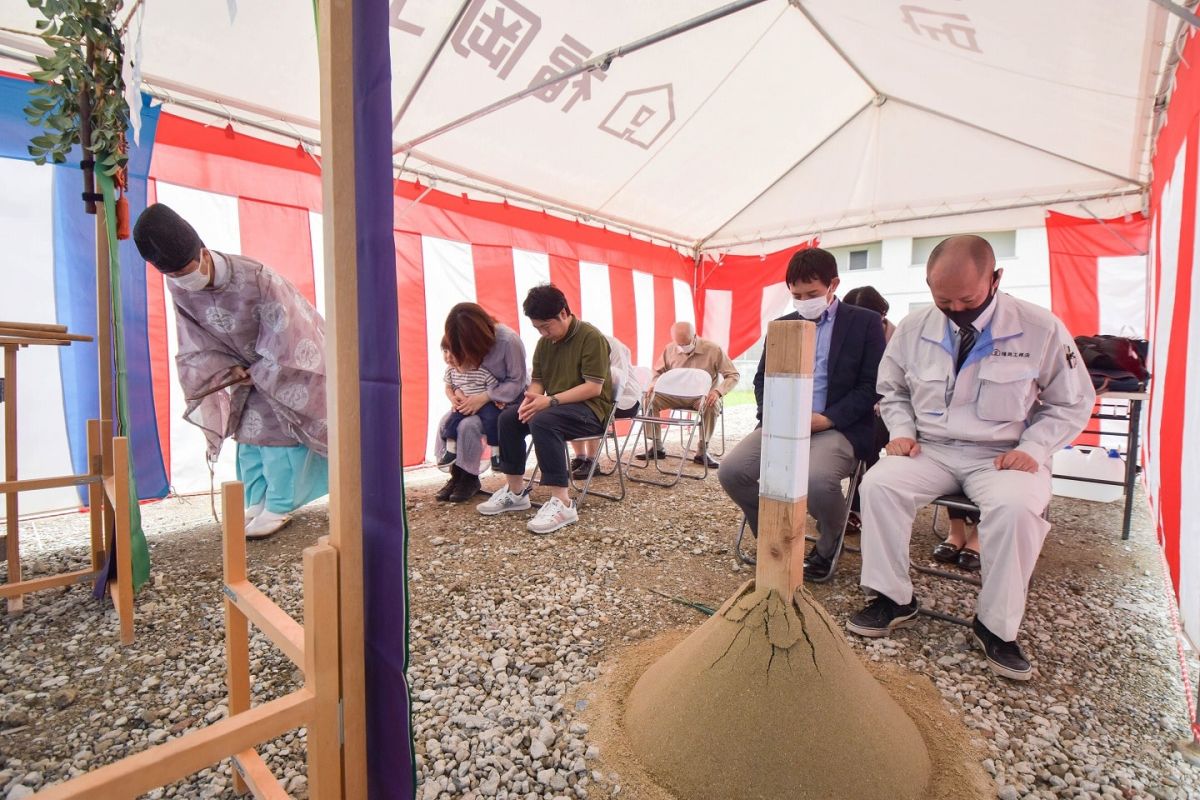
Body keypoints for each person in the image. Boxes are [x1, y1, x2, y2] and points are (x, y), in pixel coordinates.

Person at [846, 235, 1094, 682]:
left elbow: (1071, 403)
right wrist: (901, 432)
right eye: (945, 300)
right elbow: (893, 389)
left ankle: (995, 627)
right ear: (928, 285)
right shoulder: (913, 327)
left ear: (996, 279)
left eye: (969, 299)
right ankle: (893, 597)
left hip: (1003, 454)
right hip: (931, 448)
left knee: (1017, 508)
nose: (958, 310)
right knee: (879, 485)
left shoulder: (1041, 328)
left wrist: (1033, 449)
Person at [133, 203, 328, 540]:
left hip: (279, 363)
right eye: (173, 275)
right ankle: (256, 500)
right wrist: (226, 368)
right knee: (249, 436)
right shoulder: (179, 286)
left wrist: (265, 368)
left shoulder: (257, 277)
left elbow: (291, 328)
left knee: (277, 437)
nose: (181, 280)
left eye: (185, 270)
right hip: (239, 371)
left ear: (203, 254)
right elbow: (194, 336)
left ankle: (280, 505)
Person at [718, 248, 885, 580]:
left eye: (812, 294)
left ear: (833, 284)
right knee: (732, 471)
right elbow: (762, 378)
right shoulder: (782, 325)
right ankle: (775, 534)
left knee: (816, 480)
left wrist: (828, 418)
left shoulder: (864, 323)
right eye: (796, 295)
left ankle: (828, 544)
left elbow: (873, 385)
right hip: (783, 423)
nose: (804, 301)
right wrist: (771, 416)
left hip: (837, 425)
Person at [477, 285, 613, 534]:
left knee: (543, 420)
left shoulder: (591, 337)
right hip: (559, 407)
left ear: (563, 313)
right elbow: (538, 381)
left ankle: (563, 503)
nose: (542, 332)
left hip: (591, 412)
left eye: (545, 326)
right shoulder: (544, 344)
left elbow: (593, 388)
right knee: (509, 416)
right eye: (537, 328)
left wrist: (548, 402)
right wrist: (532, 399)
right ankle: (516, 493)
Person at [434, 303, 528, 503]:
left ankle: (469, 477)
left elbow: (517, 382)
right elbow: (461, 374)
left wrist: (485, 397)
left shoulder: (508, 340)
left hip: (507, 401)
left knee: (469, 425)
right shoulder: (462, 344)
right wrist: (458, 394)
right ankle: (457, 475)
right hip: (475, 400)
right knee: (445, 421)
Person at [637, 322, 739, 468]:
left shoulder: (713, 349)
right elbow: (657, 372)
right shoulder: (670, 349)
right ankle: (657, 446)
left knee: (712, 403)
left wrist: (717, 392)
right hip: (674, 395)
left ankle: (702, 451)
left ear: (695, 336)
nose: (683, 348)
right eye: (679, 344)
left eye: (686, 343)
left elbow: (733, 375)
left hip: (700, 398)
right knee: (649, 398)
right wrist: (654, 383)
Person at [568, 335, 642, 480]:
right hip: (596, 394)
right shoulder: (571, 346)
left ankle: (592, 460)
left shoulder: (611, 345)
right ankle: (580, 458)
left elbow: (618, 377)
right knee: (569, 404)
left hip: (624, 398)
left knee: (590, 404)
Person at [436, 336, 500, 471]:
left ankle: (495, 454)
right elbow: (448, 387)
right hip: (463, 404)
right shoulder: (450, 371)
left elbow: (494, 388)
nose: (448, 357)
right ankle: (450, 451)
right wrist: (453, 397)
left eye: (453, 352)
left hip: (483, 405)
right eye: (445, 351)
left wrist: (495, 400)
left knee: (492, 420)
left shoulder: (481, 370)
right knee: (451, 421)